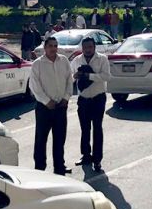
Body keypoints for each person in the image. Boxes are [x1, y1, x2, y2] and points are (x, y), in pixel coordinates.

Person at [29, 37, 73, 175]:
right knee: (41, 139)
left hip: (61, 106)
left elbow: (69, 80)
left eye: (55, 46)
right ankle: (40, 169)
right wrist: (46, 101)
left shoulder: (63, 61)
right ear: (45, 47)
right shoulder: (37, 64)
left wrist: (66, 98)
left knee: (60, 139)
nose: (53, 48)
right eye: (50, 46)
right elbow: (34, 86)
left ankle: (59, 167)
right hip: (44, 108)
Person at [70, 37, 111, 172]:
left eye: (90, 47)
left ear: (94, 47)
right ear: (82, 48)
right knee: (84, 128)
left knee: (97, 128)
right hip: (83, 99)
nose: (88, 50)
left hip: (98, 98)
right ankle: (86, 155)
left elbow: (106, 76)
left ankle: (97, 159)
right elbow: (70, 77)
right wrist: (75, 76)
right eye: (85, 47)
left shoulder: (102, 59)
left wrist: (89, 76)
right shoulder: (76, 60)